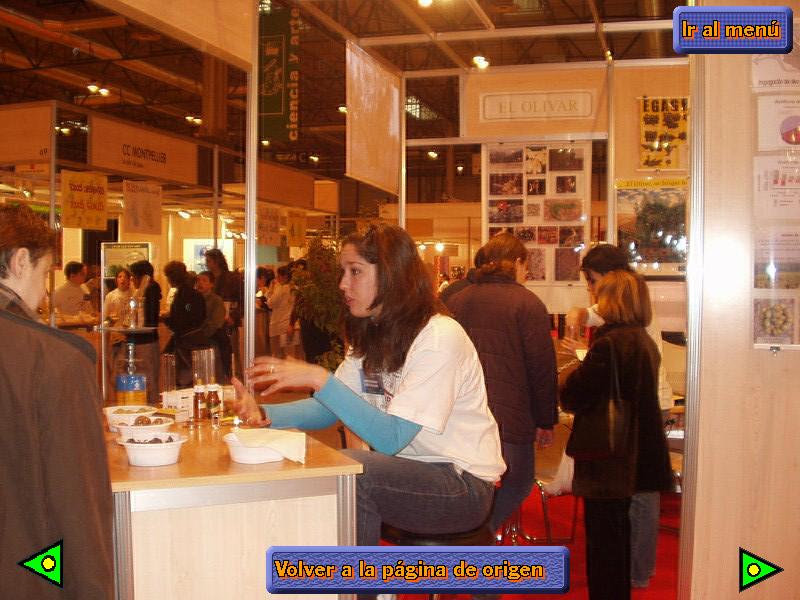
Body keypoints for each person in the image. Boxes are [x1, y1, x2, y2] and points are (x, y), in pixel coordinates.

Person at [234, 224, 505, 559]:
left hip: (462, 485)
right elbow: (331, 407)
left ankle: (357, 583)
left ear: (391, 275)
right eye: (344, 272)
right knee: (332, 467)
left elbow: (392, 439)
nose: (343, 284)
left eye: (356, 271)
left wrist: (320, 379)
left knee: (354, 472)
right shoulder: (374, 333)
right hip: (411, 471)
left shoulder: (438, 337)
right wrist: (263, 414)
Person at [0, 204, 113, 599]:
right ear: (19, 261)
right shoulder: (53, 361)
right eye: (44, 273)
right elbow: (76, 504)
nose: (45, 291)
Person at [564, 243, 673, 589]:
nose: (593, 293)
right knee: (623, 525)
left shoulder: (610, 343)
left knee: (606, 538)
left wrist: (575, 366)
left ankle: (626, 580)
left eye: (595, 284)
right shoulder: (640, 339)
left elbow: (574, 394)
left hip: (608, 456)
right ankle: (635, 575)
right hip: (630, 443)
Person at [448, 233, 557, 531]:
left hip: (460, 413)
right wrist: (545, 420)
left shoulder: (456, 300)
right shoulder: (528, 304)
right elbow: (541, 368)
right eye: (526, 266)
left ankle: (468, 535)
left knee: (468, 483)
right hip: (510, 415)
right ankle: (479, 536)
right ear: (518, 262)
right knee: (519, 480)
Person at [162, 261, 206, 387]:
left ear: (171, 277)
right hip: (196, 339)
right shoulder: (195, 294)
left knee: (184, 379)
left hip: (185, 342)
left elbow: (181, 319)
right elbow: (197, 316)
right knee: (194, 377)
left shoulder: (182, 295)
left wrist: (166, 319)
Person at [204, 248, 242, 376]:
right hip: (211, 323)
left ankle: (232, 377)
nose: (207, 264)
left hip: (227, 322)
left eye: (209, 261)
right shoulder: (207, 278)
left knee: (230, 353)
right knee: (214, 354)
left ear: (216, 261)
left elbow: (242, 300)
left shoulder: (232, 278)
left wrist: (234, 316)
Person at [128, 259, 162, 405]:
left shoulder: (150, 289)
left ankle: (151, 406)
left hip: (146, 339)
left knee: (147, 377)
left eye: (133, 276)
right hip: (144, 338)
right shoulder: (144, 290)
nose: (132, 280)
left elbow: (149, 317)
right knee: (146, 376)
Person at [196, 270, 230, 383]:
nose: (200, 283)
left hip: (213, 338)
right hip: (198, 337)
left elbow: (216, 323)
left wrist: (201, 334)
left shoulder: (216, 300)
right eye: (198, 280)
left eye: (204, 280)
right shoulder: (194, 299)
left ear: (211, 284)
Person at [266, 264, 294, 359]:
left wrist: (270, 290)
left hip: (278, 325)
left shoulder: (281, 289)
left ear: (284, 276)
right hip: (289, 324)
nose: (276, 279)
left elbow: (270, 303)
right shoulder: (294, 288)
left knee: (277, 355)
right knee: (289, 355)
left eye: (278, 276)